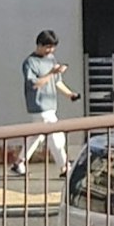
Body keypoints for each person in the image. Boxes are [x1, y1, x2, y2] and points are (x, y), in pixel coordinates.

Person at [15, 30, 75, 174]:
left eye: (53, 47)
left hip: (50, 105)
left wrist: (70, 94)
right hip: (40, 106)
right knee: (55, 135)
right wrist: (51, 73)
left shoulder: (51, 59)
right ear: (39, 45)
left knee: (36, 136)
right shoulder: (30, 62)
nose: (51, 50)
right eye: (48, 47)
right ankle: (64, 166)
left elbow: (57, 82)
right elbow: (35, 84)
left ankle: (19, 162)